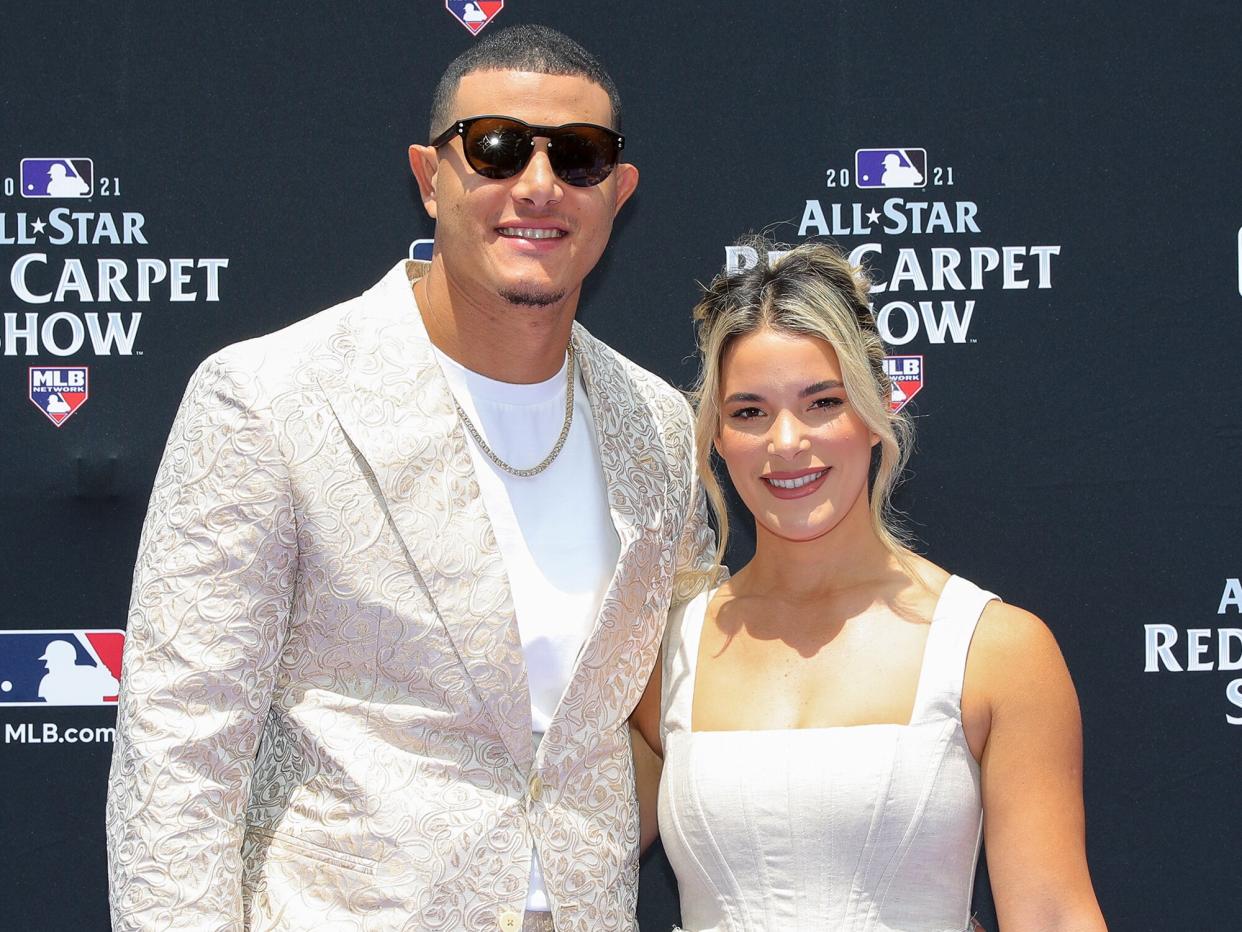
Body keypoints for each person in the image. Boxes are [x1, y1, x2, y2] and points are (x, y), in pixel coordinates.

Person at [106, 25, 715, 932]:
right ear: (431, 177)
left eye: (579, 158)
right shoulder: (271, 399)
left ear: (617, 194)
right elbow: (178, 754)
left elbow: (689, 700)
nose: (538, 186)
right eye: (496, 148)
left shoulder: (658, 425)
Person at [631, 239, 1107, 931]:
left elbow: (1055, 915)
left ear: (877, 407)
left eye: (822, 402)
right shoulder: (664, 652)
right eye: (750, 412)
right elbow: (563, 845)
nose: (786, 441)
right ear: (716, 436)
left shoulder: (996, 650)